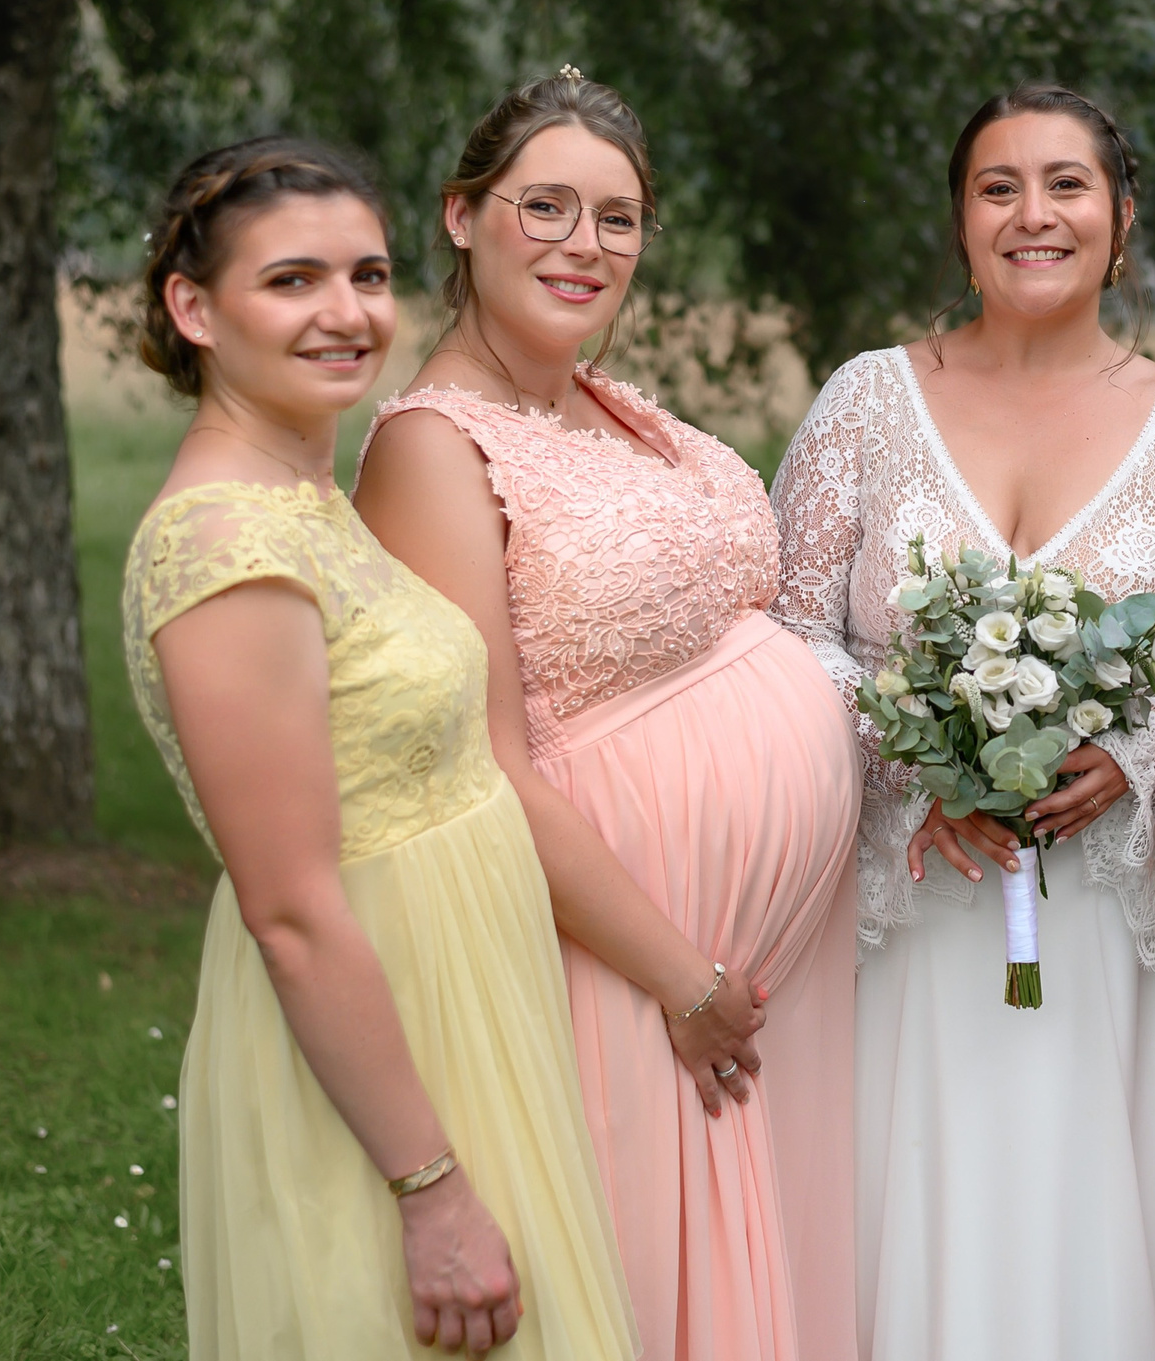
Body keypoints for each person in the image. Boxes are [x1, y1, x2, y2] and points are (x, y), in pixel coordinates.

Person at [768, 83, 1155, 1361]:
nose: (1032, 214)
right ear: (959, 220)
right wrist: (914, 750)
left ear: (1121, 215)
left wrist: (1136, 749)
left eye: (1065, 184)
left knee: (1097, 1238)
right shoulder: (865, 403)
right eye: (998, 187)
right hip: (918, 900)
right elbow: (786, 628)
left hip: (1112, 925)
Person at [356, 71, 860, 1361]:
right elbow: (478, 761)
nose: (586, 245)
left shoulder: (611, 405)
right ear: (463, 216)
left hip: (738, 982)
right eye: (547, 207)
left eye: (618, 219)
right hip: (619, 972)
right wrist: (679, 975)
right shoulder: (432, 445)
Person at [119, 137, 638, 1359]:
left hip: (463, 1002)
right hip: (381, 1059)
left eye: (366, 273)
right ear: (193, 307)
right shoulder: (224, 549)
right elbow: (291, 910)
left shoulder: (311, 500)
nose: (345, 312)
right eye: (291, 280)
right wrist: (432, 1192)